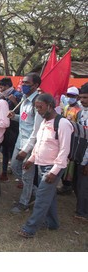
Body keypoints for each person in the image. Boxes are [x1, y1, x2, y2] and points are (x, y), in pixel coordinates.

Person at [18, 93, 73, 238]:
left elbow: (64, 150)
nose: (38, 111)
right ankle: (52, 223)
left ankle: (30, 228)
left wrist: (54, 171)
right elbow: (39, 143)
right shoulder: (44, 122)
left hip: (53, 168)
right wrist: (31, 159)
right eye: (36, 108)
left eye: (40, 107)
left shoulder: (62, 124)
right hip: (40, 165)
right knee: (49, 196)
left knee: (41, 197)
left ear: (50, 106)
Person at [9, 73, 42, 214]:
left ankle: (24, 202)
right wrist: (14, 116)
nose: (23, 85)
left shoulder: (38, 103)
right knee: (15, 167)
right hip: (19, 140)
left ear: (35, 85)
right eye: (23, 82)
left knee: (27, 173)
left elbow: (37, 129)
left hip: (30, 144)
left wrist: (27, 149)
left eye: (27, 83)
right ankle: (37, 192)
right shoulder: (24, 99)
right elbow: (24, 121)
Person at [0, 77, 23, 181]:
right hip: (5, 128)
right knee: (4, 150)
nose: (0, 89)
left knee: (13, 151)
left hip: (14, 128)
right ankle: (4, 172)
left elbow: (22, 113)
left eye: (2, 87)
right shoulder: (2, 97)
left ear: (7, 86)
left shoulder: (17, 95)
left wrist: (14, 101)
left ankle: (17, 173)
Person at [57, 86, 81, 195]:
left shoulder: (79, 110)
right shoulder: (66, 107)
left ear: (77, 97)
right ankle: (65, 184)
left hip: (74, 140)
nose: (70, 98)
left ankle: (68, 186)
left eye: (72, 96)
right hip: (65, 138)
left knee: (70, 163)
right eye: (69, 95)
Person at [74, 82, 88, 223]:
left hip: (87, 158)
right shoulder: (80, 113)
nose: (82, 100)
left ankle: (82, 213)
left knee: (84, 186)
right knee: (78, 184)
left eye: (85, 97)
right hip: (80, 154)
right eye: (81, 97)